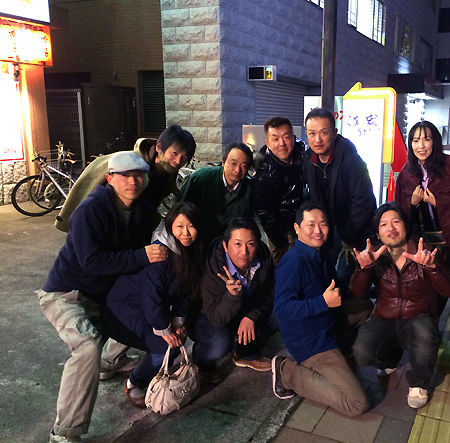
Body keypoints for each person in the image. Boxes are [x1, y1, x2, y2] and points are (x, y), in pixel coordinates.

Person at [38, 152, 167, 443]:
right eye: (125, 176)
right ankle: (64, 432)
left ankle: (110, 362)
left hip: (104, 294)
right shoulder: (90, 210)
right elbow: (91, 262)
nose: (133, 182)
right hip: (67, 293)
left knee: (149, 314)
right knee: (87, 346)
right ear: (110, 178)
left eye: (139, 176)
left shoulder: (144, 211)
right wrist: (141, 255)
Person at [350, 202, 450, 409]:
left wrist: (432, 267)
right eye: (383, 225)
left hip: (419, 317)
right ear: (378, 234)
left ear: (406, 226)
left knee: (424, 334)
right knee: (361, 352)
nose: (391, 228)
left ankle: (419, 382)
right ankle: (390, 359)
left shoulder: (425, 253)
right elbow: (357, 294)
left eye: (396, 221)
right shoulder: (375, 256)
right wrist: (364, 269)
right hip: (385, 318)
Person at [272, 202, 370, 417]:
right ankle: (286, 371)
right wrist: (323, 303)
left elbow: (338, 287)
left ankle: (341, 350)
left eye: (323, 224)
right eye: (311, 225)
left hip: (328, 322)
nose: (318, 230)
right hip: (310, 340)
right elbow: (281, 309)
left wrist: (363, 270)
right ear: (297, 228)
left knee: (365, 307)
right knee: (356, 404)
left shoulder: (319, 252)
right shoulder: (294, 261)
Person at [102, 202, 202, 408]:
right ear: (170, 226)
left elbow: (186, 291)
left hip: (149, 308)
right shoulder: (161, 253)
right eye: (179, 226)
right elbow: (152, 296)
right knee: (167, 347)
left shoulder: (191, 251)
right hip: (126, 307)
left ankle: (131, 366)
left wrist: (179, 323)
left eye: (191, 226)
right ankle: (134, 383)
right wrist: (164, 329)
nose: (186, 233)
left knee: (175, 343)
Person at [55, 124, 196, 233]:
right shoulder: (130, 166)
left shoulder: (167, 173)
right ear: (158, 147)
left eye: (184, 157)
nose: (177, 161)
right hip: (106, 228)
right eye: (174, 153)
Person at [395, 121, 450, 317]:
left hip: (446, 239)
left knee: (442, 281)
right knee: (422, 283)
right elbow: (399, 208)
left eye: (426, 139)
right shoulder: (407, 171)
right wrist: (412, 203)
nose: (421, 146)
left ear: (435, 141)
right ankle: (425, 321)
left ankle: (433, 322)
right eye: (415, 140)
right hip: (420, 239)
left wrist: (438, 201)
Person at [190, 217, 276, 382]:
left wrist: (251, 316)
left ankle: (245, 353)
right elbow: (217, 318)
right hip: (211, 315)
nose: (244, 252)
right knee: (219, 343)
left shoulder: (263, 256)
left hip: (247, 309)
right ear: (225, 245)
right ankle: (202, 362)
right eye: (237, 244)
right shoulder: (213, 267)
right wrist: (232, 296)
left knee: (280, 311)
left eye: (250, 244)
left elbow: (272, 290)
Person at [303, 108, 376, 289]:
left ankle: (354, 305)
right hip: (328, 231)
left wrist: (349, 238)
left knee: (344, 276)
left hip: (354, 232)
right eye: (312, 133)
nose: (317, 139)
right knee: (324, 274)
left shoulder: (352, 161)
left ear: (334, 132)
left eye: (324, 132)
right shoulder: (308, 159)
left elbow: (363, 203)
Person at [179, 142, 254, 252]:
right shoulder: (200, 178)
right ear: (223, 162)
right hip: (196, 242)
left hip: (228, 248)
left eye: (243, 166)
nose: (237, 170)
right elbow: (178, 209)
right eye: (233, 163)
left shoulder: (250, 189)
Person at [252, 116, 306, 264]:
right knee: (284, 267)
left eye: (286, 137)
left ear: (293, 138)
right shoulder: (263, 173)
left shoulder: (304, 156)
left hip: (305, 224)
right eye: (275, 139)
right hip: (281, 230)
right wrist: (280, 242)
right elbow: (265, 213)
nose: (282, 143)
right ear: (267, 143)